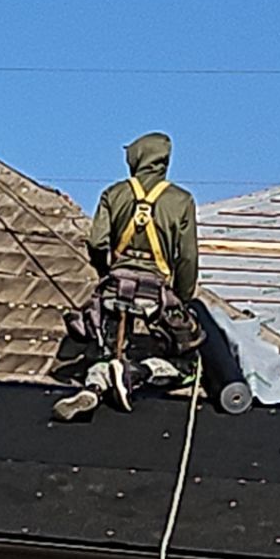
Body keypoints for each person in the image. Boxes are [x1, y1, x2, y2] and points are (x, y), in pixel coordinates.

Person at [53, 132, 204, 420]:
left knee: (106, 353)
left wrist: (105, 272)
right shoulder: (181, 200)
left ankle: (93, 388)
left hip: (113, 289)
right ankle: (139, 372)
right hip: (154, 293)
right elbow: (187, 258)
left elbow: (97, 243)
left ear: (136, 158)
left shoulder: (114, 193)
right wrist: (182, 300)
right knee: (188, 365)